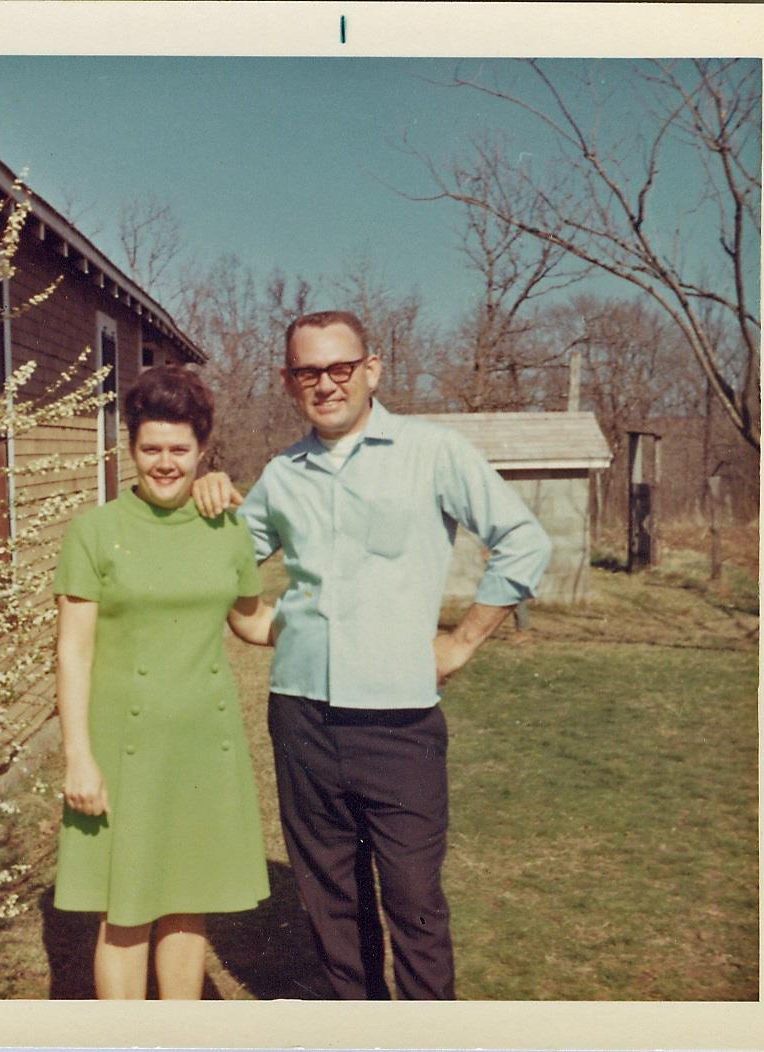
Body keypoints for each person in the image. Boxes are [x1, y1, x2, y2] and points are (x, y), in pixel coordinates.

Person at [193, 310, 551, 1000]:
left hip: (399, 722)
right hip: (301, 717)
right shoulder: (282, 473)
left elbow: (524, 540)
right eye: (308, 371)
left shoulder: (432, 452)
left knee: (415, 901)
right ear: (288, 381)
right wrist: (205, 497)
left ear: (371, 370)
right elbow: (225, 565)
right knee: (329, 902)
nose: (326, 384)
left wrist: (461, 640)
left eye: (340, 368)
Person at [51, 364, 274, 1000]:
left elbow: (253, 622)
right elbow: (73, 652)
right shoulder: (94, 533)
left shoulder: (228, 527)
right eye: (151, 448)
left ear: (203, 450)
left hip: (205, 743)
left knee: (186, 901)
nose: (166, 463)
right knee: (124, 914)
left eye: (180, 449)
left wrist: (326, 620)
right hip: (124, 747)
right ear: (131, 448)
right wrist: (78, 759)